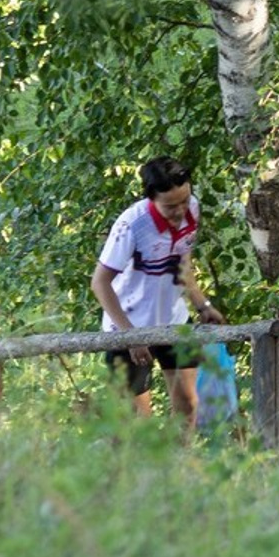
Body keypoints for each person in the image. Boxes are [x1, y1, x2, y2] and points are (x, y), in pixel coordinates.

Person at [90, 156, 225, 428]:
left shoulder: (192, 210)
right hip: (128, 326)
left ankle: (180, 466)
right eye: (171, 206)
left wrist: (202, 304)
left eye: (185, 201)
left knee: (188, 405)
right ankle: (139, 470)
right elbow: (99, 283)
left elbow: (183, 262)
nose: (180, 211)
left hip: (174, 321)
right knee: (134, 420)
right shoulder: (131, 225)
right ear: (151, 198)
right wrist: (131, 336)